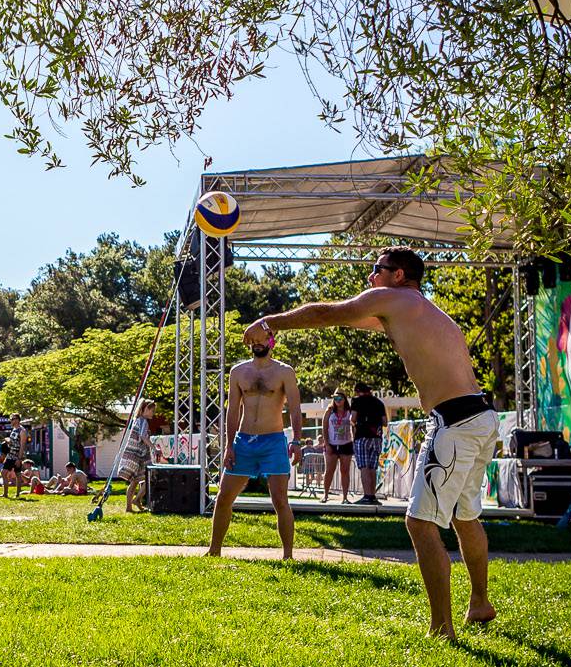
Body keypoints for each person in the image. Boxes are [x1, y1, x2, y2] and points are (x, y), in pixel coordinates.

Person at [246, 245, 499, 637]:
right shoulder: (419, 309)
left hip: (455, 421)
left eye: (376, 270)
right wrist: (312, 318)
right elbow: (341, 319)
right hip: (480, 417)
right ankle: (480, 603)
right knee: (465, 517)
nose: (370, 278)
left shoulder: (392, 299)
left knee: (419, 523)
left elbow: (330, 312)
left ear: (398, 275)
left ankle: (442, 628)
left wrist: (270, 321)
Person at [207, 330, 303, 560]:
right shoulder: (238, 371)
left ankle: (288, 556)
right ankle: (214, 551)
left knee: (280, 499)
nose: (258, 343)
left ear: (272, 342)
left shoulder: (284, 372)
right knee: (224, 497)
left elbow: (295, 409)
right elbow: (232, 411)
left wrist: (297, 441)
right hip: (244, 441)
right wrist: (229, 445)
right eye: (254, 340)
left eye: (262, 339)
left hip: (273, 441)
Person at [351, 389, 388, 504]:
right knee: (373, 468)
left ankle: (367, 496)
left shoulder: (357, 401)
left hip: (362, 437)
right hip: (377, 438)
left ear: (358, 391)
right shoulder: (379, 402)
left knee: (364, 467)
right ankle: (373, 496)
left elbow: (353, 419)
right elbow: (385, 422)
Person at [116, 400, 153, 514]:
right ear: (144, 409)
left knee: (135, 481)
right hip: (139, 455)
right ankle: (137, 500)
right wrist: (153, 447)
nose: (153, 413)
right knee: (149, 477)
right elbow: (142, 436)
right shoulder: (143, 421)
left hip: (133, 454)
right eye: (151, 410)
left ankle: (129, 507)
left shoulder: (137, 420)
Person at [322, 393, 354, 502]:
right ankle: (325, 495)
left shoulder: (349, 411)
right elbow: (324, 428)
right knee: (329, 470)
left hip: (346, 444)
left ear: (345, 399)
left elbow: (354, 427)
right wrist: (327, 444)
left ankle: (345, 497)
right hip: (332, 444)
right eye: (335, 398)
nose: (338, 400)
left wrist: (354, 441)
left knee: (345, 471)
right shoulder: (329, 411)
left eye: (340, 398)